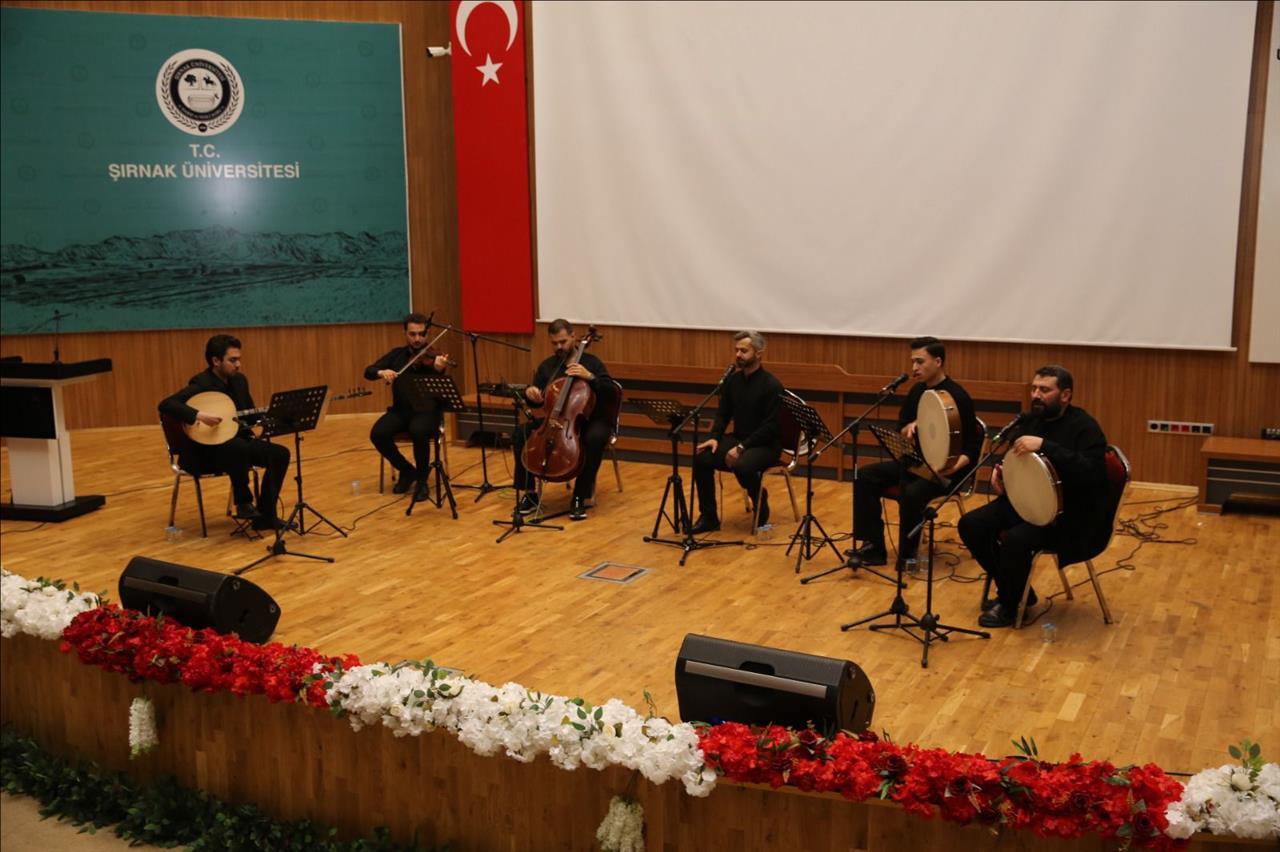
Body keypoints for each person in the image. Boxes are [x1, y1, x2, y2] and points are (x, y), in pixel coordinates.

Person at [957, 365, 1109, 628]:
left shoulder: (1085, 427)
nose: (1036, 395)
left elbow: (1092, 471)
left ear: (1065, 395)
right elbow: (1016, 460)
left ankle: (1010, 604)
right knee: (971, 525)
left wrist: (1045, 445)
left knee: (1016, 540)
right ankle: (1017, 591)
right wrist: (1001, 473)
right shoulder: (1029, 421)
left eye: (1045, 390)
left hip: (1064, 514)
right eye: (1034, 388)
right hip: (1024, 502)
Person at [847, 336, 983, 569]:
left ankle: (908, 556)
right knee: (865, 476)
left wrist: (951, 469)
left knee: (911, 494)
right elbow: (901, 427)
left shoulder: (957, 395)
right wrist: (908, 428)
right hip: (917, 463)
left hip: (947, 471)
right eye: (913, 361)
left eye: (920, 361)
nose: (914, 367)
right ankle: (873, 548)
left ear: (938, 362)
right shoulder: (917, 391)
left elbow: (974, 442)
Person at [158, 334, 291, 531]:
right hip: (204, 452)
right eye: (233, 360)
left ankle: (266, 517)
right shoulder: (201, 384)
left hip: (236, 445)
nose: (238, 365)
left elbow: (250, 417)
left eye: (239, 359)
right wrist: (199, 415)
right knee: (236, 447)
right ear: (216, 361)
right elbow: (166, 404)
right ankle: (243, 501)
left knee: (280, 454)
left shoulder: (240, 381)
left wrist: (274, 415)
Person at [511, 318, 613, 521]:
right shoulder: (547, 367)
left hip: (590, 419)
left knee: (594, 439)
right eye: (554, 343)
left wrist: (591, 377)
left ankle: (580, 496)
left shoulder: (592, 363)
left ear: (573, 336)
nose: (559, 347)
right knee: (520, 433)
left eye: (563, 342)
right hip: (555, 420)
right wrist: (532, 396)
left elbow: (610, 392)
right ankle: (530, 494)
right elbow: (539, 402)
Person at [690, 331, 784, 533]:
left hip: (766, 445)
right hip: (740, 439)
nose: (738, 355)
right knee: (702, 458)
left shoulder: (772, 385)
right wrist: (714, 438)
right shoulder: (733, 382)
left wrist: (741, 447)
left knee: (742, 466)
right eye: (736, 350)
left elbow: (771, 427)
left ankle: (759, 497)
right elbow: (723, 414)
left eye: (744, 350)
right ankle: (709, 517)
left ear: (758, 354)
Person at [364, 313, 453, 501]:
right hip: (401, 411)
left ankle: (422, 481)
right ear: (405, 333)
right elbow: (369, 371)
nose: (417, 339)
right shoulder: (397, 355)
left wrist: (438, 369)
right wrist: (382, 372)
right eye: (412, 334)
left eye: (421, 334)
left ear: (427, 334)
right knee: (378, 433)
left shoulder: (434, 357)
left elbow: (440, 382)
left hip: (427, 413)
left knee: (418, 430)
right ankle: (406, 470)